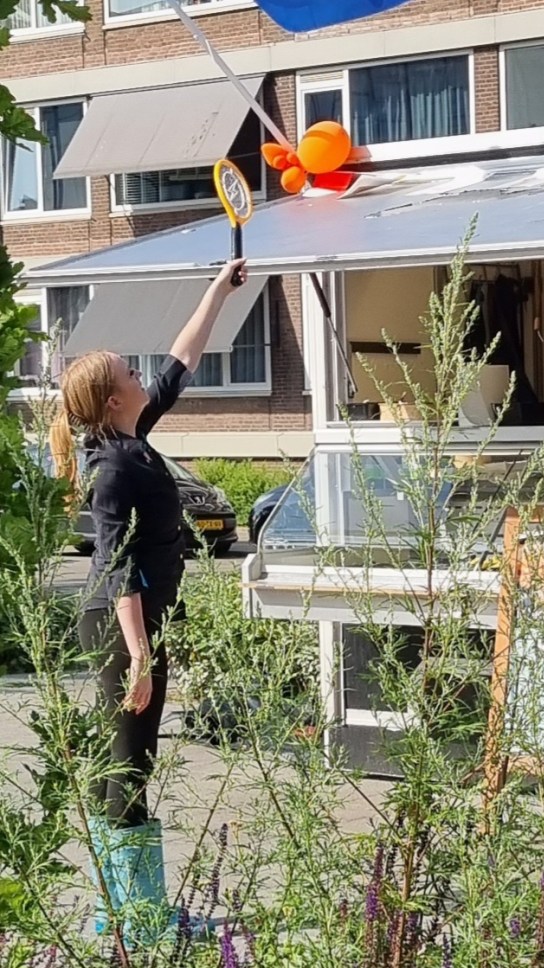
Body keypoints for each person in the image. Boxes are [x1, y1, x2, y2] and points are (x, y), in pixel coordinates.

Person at [48, 259, 248, 948]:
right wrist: (139, 655)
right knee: (129, 761)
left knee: (129, 757)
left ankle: (126, 913)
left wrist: (218, 289)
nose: (140, 373)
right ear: (111, 400)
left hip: (135, 625)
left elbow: (181, 361)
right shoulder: (112, 468)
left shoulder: (131, 441)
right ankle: (137, 921)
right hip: (119, 628)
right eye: (126, 371)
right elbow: (118, 566)